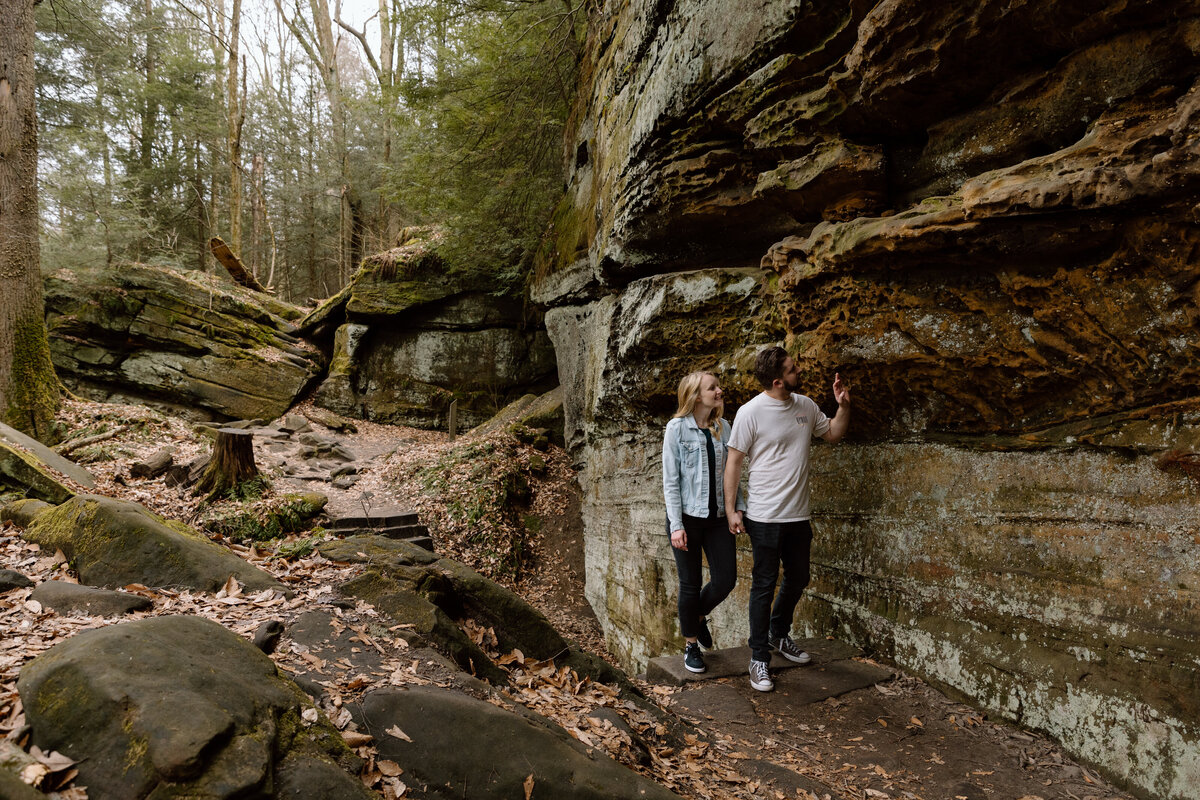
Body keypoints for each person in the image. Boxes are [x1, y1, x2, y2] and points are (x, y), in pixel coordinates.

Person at [723, 346, 850, 692]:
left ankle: (779, 635)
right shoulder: (751, 412)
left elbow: (833, 433)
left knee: (799, 576)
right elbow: (733, 462)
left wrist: (843, 406)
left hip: (798, 515)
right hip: (764, 516)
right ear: (778, 381)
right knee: (764, 585)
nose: (799, 372)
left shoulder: (806, 406)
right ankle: (758, 658)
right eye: (793, 370)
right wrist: (732, 508)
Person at [662, 371, 745, 674]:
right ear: (697, 396)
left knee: (725, 580)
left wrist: (737, 509)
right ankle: (691, 645)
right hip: (687, 520)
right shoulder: (676, 429)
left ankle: (697, 615)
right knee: (690, 583)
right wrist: (675, 525)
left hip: (718, 519)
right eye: (713, 388)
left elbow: (733, 475)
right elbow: (670, 482)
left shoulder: (724, 427)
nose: (720, 391)